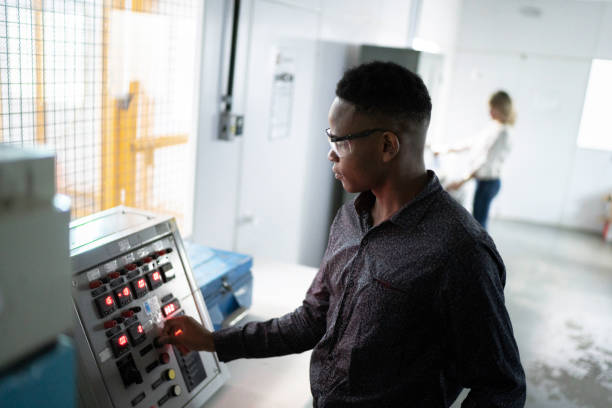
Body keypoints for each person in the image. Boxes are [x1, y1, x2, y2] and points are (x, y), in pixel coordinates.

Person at [159, 62, 526, 407]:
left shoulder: (459, 251)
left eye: (340, 142)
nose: (330, 156)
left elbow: (501, 387)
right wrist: (211, 341)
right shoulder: (351, 217)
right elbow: (311, 320)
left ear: (387, 146)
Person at [445, 91, 516, 230]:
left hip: (489, 183)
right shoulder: (493, 127)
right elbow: (472, 143)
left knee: (479, 224)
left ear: (502, 107)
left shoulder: (504, 133)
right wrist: (446, 149)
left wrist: (462, 181)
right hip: (481, 181)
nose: (489, 111)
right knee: (477, 220)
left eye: (492, 108)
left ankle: (481, 251)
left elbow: (485, 162)